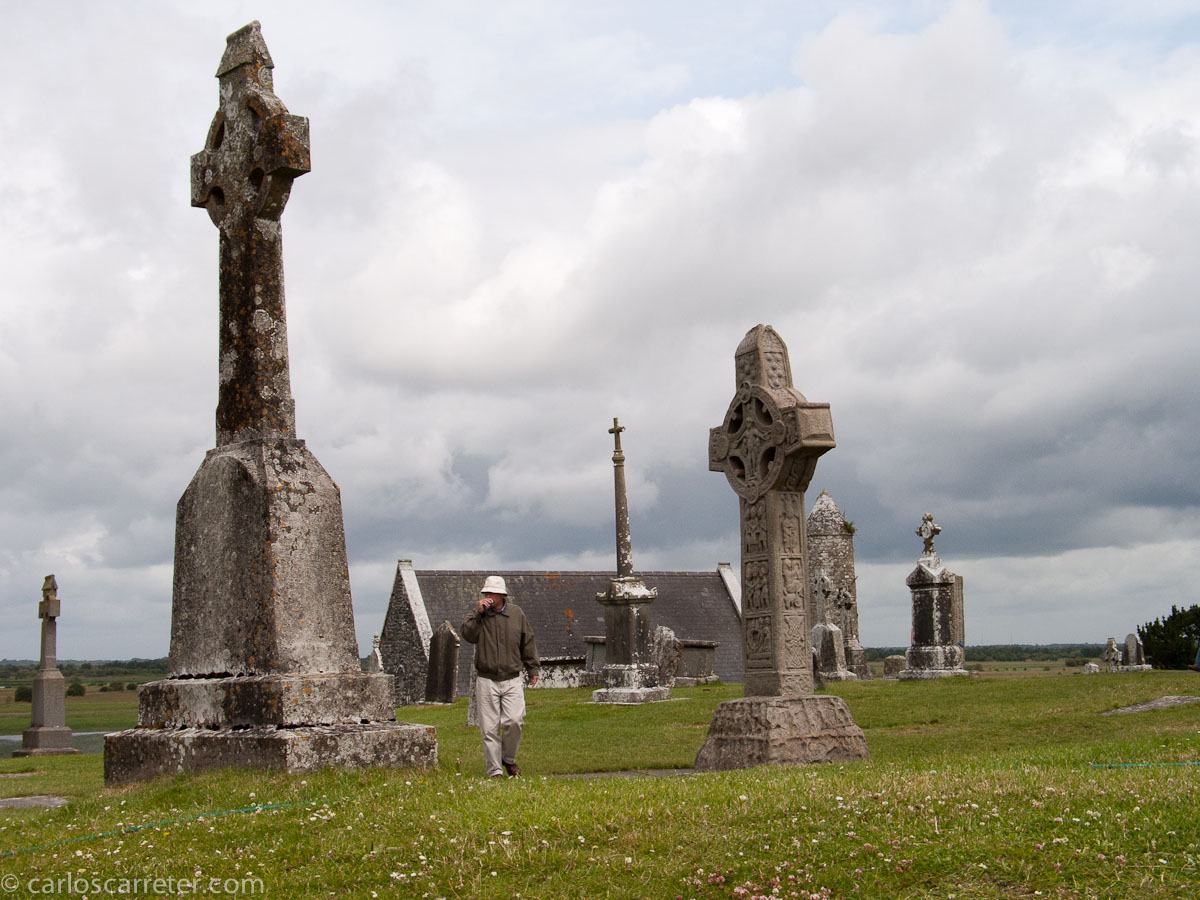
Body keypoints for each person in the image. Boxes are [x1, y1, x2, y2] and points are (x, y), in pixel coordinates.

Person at [461, 575, 539, 777]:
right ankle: (495, 770)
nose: (488, 596)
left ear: (501, 595)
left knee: (514, 721)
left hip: (512, 677)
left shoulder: (516, 614)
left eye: (491, 593)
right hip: (486, 678)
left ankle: (508, 759)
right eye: (485, 593)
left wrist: (533, 669)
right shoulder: (479, 615)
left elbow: (527, 641)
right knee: (489, 728)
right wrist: (479, 615)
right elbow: (468, 635)